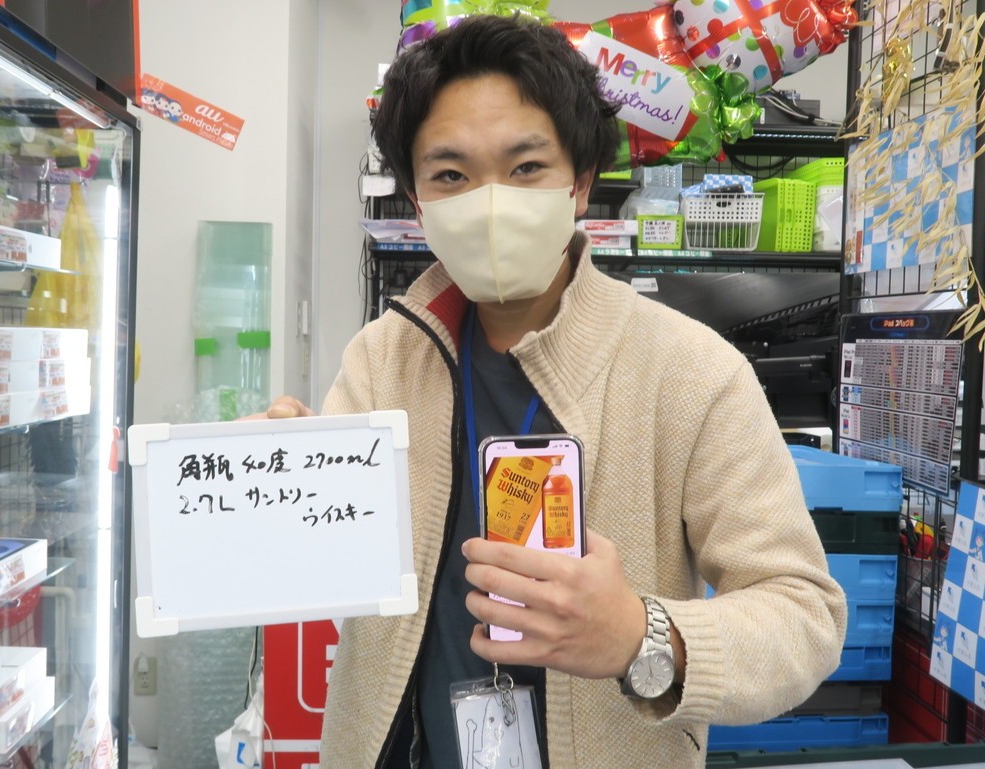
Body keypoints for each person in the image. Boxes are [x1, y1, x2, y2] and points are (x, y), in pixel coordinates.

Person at [262, 15, 846, 769]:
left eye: (526, 166)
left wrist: (641, 637)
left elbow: (804, 616)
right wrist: (276, 484)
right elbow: (330, 556)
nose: (490, 202)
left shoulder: (692, 372)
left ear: (580, 182)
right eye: (451, 175)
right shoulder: (382, 358)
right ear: (416, 198)